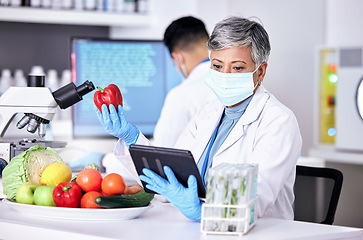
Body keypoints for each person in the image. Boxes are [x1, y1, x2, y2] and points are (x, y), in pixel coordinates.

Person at [96, 16, 302, 222]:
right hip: (197, 228)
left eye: (237, 68)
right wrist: (132, 140)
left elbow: (256, 198)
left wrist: (202, 212)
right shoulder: (208, 113)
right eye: (218, 66)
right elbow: (170, 176)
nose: (225, 75)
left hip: (256, 232)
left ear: (261, 71)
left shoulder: (278, 121)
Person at [68, 16, 216, 171]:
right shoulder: (225, 84)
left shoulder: (182, 94)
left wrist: (103, 160)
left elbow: (157, 161)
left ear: (177, 58)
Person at [152, 16, 216, 147]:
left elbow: (161, 153)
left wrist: (106, 159)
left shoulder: (181, 95)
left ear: (178, 58)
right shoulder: (242, 81)